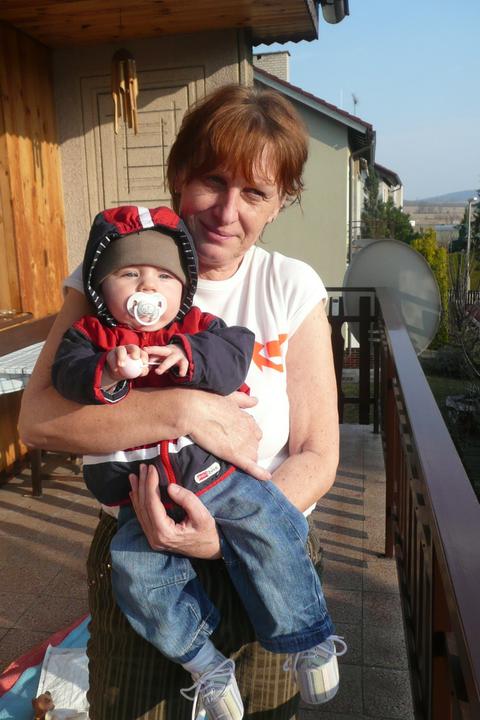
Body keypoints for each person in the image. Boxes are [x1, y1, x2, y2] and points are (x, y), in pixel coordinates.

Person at [19, 83, 340, 720]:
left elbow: (316, 453)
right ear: (178, 177)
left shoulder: (289, 286)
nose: (227, 211)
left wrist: (224, 537)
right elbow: (39, 420)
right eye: (211, 181)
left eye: (255, 193)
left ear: (280, 202)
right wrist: (186, 411)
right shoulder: (110, 276)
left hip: (267, 554)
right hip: (143, 548)